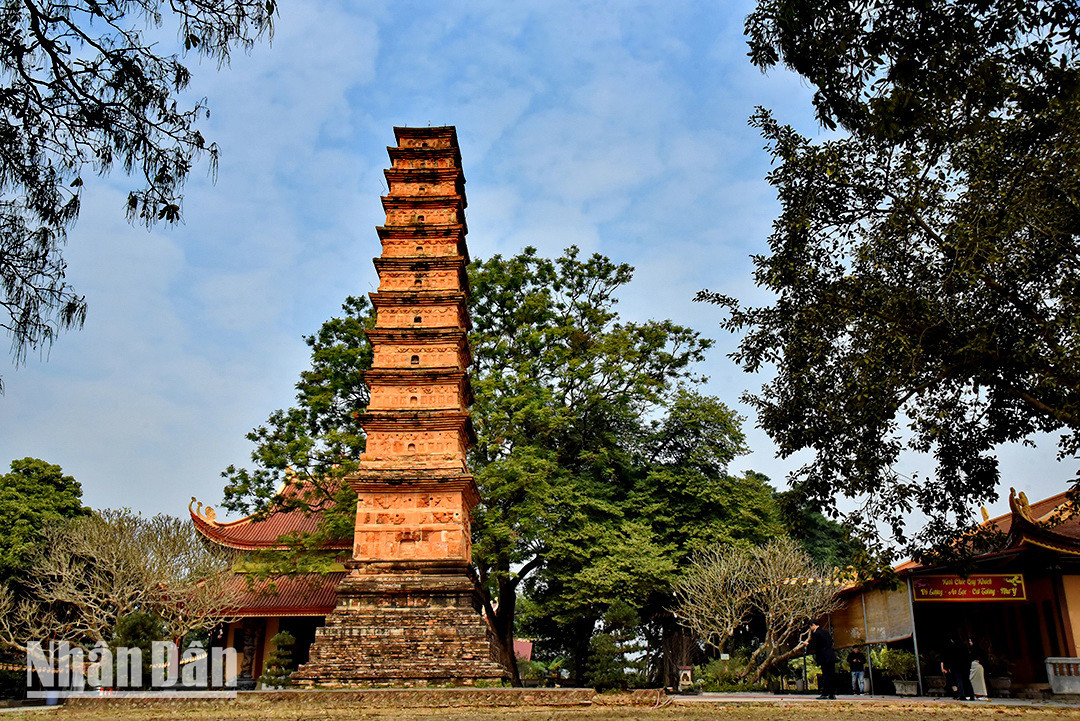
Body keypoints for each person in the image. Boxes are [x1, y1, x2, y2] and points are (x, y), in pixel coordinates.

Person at [806, 620, 837, 699]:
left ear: (813, 625)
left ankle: (825, 693)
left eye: (810, 627)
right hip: (831, 655)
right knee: (831, 675)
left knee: (826, 675)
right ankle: (832, 694)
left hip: (824, 656)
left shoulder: (816, 633)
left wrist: (807, 644)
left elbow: (814, 645)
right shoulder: (826, 632)